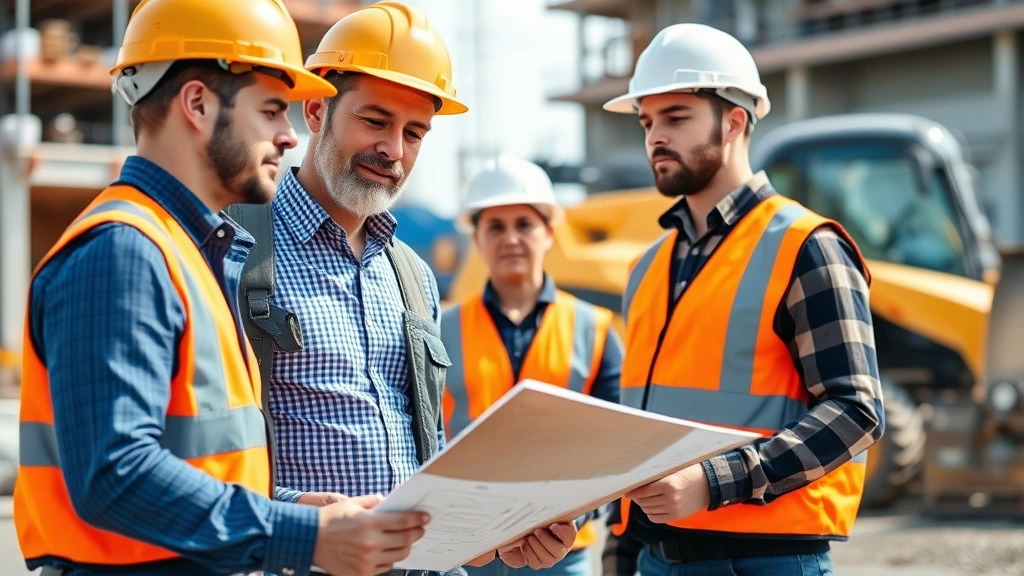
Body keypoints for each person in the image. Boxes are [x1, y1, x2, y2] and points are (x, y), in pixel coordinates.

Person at [13, 2, 431, 576]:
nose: (288, 136)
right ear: (198, 103)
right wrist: (301, 535)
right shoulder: (124, 251)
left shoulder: (188, 251)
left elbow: (205, 456)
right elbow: (114, 475)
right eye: (269, 111)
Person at [228, 1, 579, 572]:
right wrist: (300, 518)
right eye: (375, 121)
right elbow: (204, 458)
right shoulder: (236, 249)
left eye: (414, 132)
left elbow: (423, 454)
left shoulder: (412, 274)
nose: (394, 149)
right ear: (316, 111)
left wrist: (495, 534)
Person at [599, 23, 885, 576]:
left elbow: (856, 411)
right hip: (655, 557)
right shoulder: (647, 268)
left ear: (734, 121)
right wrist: (620, 552)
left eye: (676, 117)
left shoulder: (808, 246)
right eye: (647, 121)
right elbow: (640, 424)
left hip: (766, 560)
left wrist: (713, 483)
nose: (655, 135)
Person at [440, 154, 625, 576]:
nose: (511, 239)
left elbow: (618, 447)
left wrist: (576, 518)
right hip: (468, 550)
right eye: (495, 227)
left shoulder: (594, 329)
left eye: (524, 225)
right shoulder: (440, 328)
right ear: (478, 238)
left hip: (564, 551)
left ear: (549, 233)